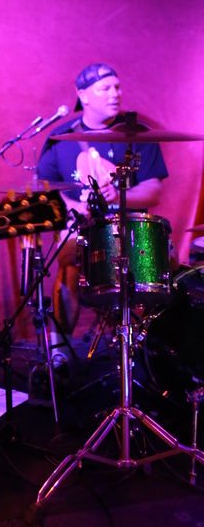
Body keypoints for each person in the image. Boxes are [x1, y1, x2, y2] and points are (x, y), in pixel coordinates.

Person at [37, 63, 168, 338]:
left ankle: (148, 343)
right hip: (85, 229)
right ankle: (59, 346)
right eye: (105, 88)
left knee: (168, 260)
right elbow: (45, 188)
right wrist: (73, 207)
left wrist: (120, 196)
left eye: (117, 87)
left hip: (130, 229)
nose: (115, 94)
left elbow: (154, 190)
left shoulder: (138, 135)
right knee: (68, 256)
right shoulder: (60, 139)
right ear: (83, 95)